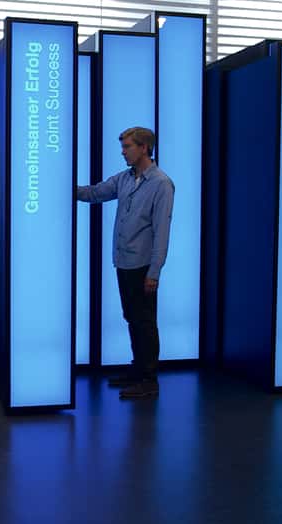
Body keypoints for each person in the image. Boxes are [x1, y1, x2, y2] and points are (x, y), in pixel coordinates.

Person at [76, 127, 174, 399]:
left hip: (143, 265)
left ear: (144, 148)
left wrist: (154, 272)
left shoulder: (161, 184)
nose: (123, 152)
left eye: (127, 146)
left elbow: (161, 232)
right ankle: (138, 369)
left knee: (145, 321)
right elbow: (96, 193)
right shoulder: (125, 179)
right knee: (132, 317)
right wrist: (68, 188)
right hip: (124, 261)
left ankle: (148, 379)